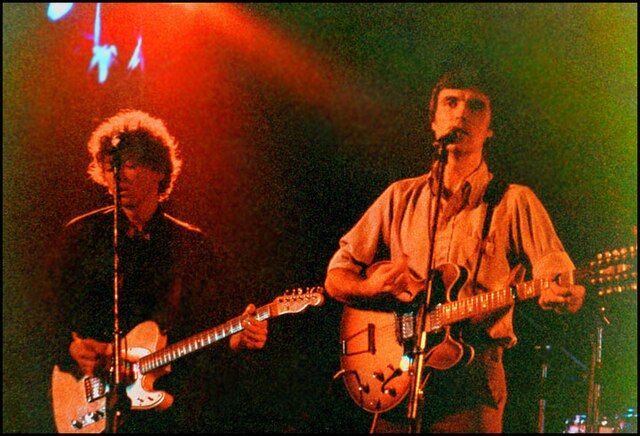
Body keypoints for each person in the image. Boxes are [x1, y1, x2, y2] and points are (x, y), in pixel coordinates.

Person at [324, 67, 586, 433]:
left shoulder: (514, 201)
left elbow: (554, 270)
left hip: (473, 382)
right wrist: (368, 289)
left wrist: (562, 291)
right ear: (433, 121)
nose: (461, 113)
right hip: (396, 376)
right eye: (451, 102)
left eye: (475, 106)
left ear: (490, 128)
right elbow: (336, 277)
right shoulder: (400, 197)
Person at [46, 109, 269, 433]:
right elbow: (44, 314)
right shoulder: (81, 235)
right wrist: (69, 349)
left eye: (131, 166)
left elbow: (212, 327)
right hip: (86, 395)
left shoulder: (190, 246)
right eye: (111, 168)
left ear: (158, 171)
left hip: (168, 412)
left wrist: (240, 340)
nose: (118, 176)